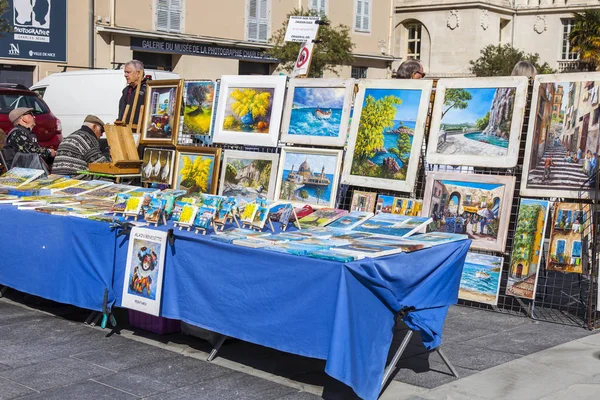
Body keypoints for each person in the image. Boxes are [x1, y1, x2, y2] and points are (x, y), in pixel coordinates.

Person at [117, 60, 147, 125]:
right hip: (125, 128)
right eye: (125, 72)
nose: (125, 75)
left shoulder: (147, 89)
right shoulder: (126, 90)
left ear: (138, 73)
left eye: (128, 72)